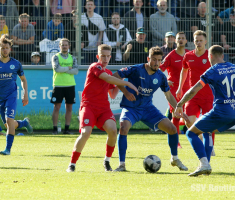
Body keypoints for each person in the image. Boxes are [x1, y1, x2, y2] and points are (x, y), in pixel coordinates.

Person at [175, 45, 235, 176]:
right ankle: (206, 167)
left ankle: (204, 163)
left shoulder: (212, 71)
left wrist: (180, 103)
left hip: (222, 111)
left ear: (210, 56)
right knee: (207, 131)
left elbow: (194, 89)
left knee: (191, 133)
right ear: (222, 56)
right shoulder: (234, 67)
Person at [112, 46, 189, 172]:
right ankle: (122, 165)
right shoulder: (136, 69)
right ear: (148, 59)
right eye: (154, 60)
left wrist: (179, 107)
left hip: (148, 109)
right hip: (131, 108)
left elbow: (168, 95)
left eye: (159, 60)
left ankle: (175, 159)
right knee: (123, 127)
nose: (157, 63)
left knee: (172, 129)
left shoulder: (161, 76)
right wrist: (125, 92)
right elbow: (115, 76)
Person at [66, 44, 139, 172]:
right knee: (86, 132)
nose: (105, 59)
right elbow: (106, 78)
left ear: (110, 57)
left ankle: (107, 161)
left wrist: (122, 78)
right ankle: (72, 164)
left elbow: (112, 93)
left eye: (107, 56)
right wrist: (126, 82)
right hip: (88, 106)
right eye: (102, 56)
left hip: (104, 108)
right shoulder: (95, 67)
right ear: (97, 56)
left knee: (113, 131)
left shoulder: (110, 73)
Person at [0, 34, 33, 155]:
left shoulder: (16, 64)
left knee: (9, 120)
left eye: (7, 47)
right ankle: (23, 123)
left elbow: (23, 79)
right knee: (9, 124)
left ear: (10, 49)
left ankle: (7, 149)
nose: (5, 50)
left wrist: (25, 94)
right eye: (2, 48)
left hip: (11, 96)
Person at [160, 32, 190, 148]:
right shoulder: (171, 56)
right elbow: (160, 70)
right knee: (176, 114)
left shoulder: (189, 54)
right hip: (173, 90)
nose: (181, 40)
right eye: (179, 38)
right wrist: (165, 81)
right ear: (175, 41)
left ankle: (192, 136)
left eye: (183, 38)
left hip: (188, 89)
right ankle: (175, 142)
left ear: (186, 41)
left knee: (190, 114)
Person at [50, 38, 78, 135]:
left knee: (69, 108)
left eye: (66, 45)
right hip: (58, 85)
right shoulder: (55, 57)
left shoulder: (73, 58)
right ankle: (54, 129)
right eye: (62, 45)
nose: (64, 46)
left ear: (69, 46)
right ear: (59, 46)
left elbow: (76, 71)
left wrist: (64, 69)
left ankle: (66, 129)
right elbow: (56, 69)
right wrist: (68, 68)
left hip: (70, 85)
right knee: (57, 107)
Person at [81, 0, 106, 64]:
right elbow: (77, 31)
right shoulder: (81, 17)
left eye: (91, 5)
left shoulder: (99, 17)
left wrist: (99, 40)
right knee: (84, 68)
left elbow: (101, 30)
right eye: (88, 4)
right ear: (85, 6)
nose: (90, 6)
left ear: (94, 6)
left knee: (95, 68)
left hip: (95, 48)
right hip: (84, 49)